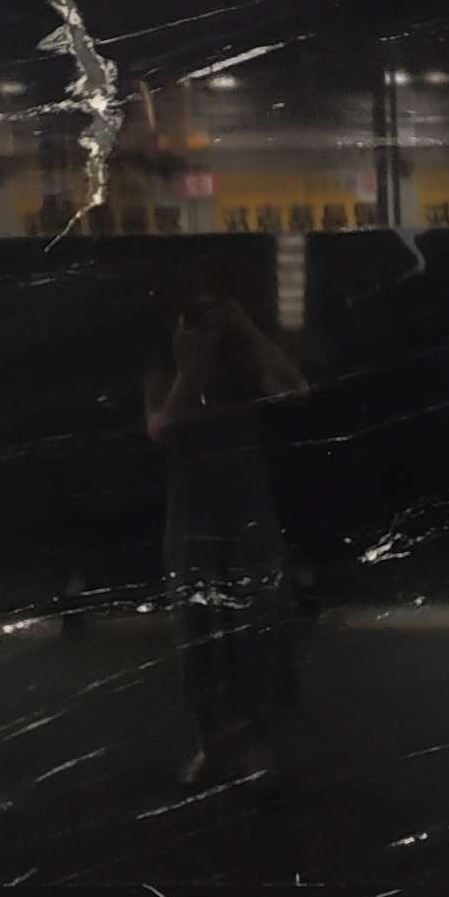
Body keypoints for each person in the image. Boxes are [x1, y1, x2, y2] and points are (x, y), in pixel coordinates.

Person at [143, 269, 306, 788]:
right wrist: (190, 368)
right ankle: (210, 743)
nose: (206, 324)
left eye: (213, 313)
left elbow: (295, 388)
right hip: (192, 511)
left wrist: (249, 332)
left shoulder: (246, 363)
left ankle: (257, 743)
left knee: (257, 624)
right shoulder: (165, 366)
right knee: (196, 630)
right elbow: (163, 429)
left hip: (245, 506)